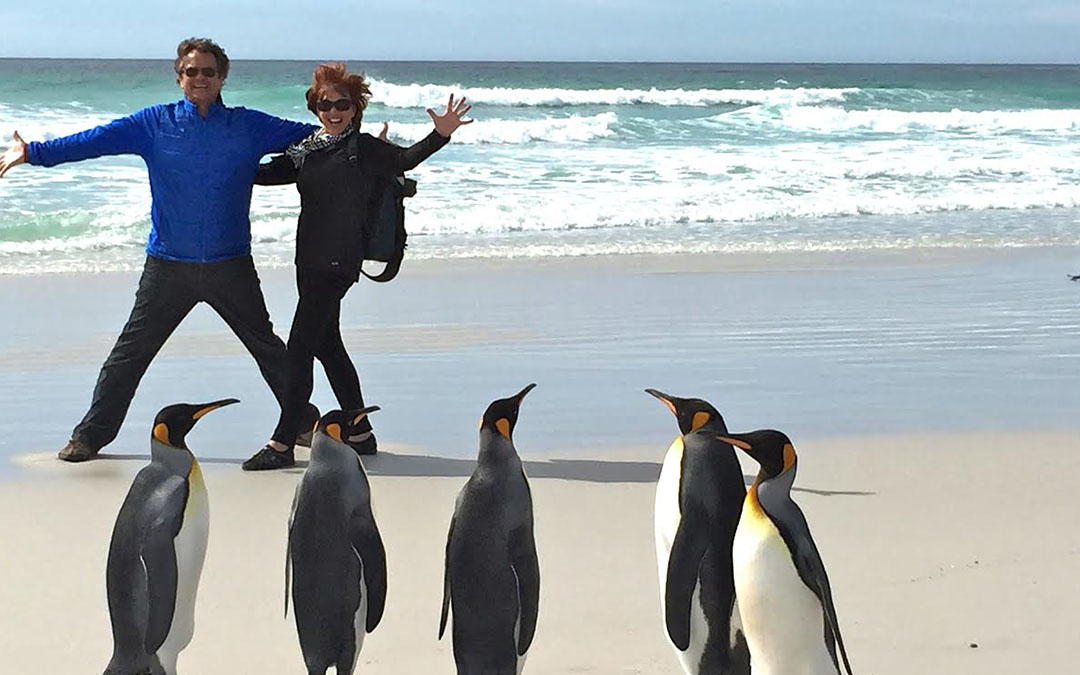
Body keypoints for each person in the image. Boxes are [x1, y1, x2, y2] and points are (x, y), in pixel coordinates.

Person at [0, 37, 321, 462]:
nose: (200, 78)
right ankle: (90, 436)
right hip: (169, 264)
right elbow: (95, 140)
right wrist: (34, 153)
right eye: (192, 71)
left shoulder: (249, 126)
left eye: (209, 71)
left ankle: (302, 423)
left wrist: (372, 147)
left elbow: (319, 138)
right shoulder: (154, 123)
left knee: (266, 347)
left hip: (231, 264)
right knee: (130, 354)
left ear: (222, 77)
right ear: (179, 77)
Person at [241, 62, 472, 470]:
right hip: (308, 259)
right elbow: (262, 175)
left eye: (341, 104)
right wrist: (223, 157)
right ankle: (361, 433)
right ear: (314, 107)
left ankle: (281, 443)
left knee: (299, 349)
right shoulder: (306, 150)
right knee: (328, 345)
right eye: (325, 103)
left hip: (338, 262)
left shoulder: (365, 149)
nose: (333, 111)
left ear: (354, 106)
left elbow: (405, 159)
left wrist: (441, 133)